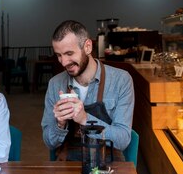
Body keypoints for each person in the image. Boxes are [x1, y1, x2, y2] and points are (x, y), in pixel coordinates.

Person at [42, 20, 134, 161]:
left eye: (69, 53)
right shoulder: (55, 84)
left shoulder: (120, 80)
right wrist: (60, 124)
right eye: (59, 55)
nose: (63, 62)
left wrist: (84, 119)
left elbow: (122, 140)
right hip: (68, 164)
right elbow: (49, 142)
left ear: (87, 47)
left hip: (109, 164)